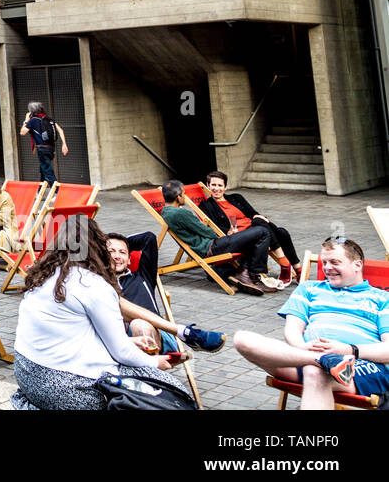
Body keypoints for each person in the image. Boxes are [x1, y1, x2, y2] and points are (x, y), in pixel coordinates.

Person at [12, 214, 183, 410]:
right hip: (66, 389)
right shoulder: (93, 284)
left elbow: (69, 336)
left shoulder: (42, 276)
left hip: (27, 375)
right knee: (169, 389)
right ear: (97, 247)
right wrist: (155, 362)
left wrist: (128, 341)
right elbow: (122, 353)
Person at [233, 238, 389, 409]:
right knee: (242, 339)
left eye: (335, 262)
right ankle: (324, 360)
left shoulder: (382, 298)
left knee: (315, 372)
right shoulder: (308, 288)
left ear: (357, 265)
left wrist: (348, 350)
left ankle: (326, 363)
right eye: (324, 262)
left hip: (359, 365)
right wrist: (304, 348)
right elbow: (292, 329)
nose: (327, 268)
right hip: (305, 357)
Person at [105, 232, 224, 355]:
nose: (117, 256)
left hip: (155, 333)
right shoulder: (96, 282)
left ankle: (151, 369)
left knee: (138, 324)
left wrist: (119, 241)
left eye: (122, 252)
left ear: (129, 260)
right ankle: (184, 333)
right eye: (111, 252)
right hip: (119, 337)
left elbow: (148, 238)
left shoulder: (143, 276)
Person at [160, 180, 276, 295]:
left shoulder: (166, 212)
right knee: (262, 231)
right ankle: (252, 275)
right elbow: (207, 232)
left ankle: (245, 273)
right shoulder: (180, 213)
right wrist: (227, 235)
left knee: (253, 238)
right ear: (178, 197)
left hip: (210, 246)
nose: (185, 196)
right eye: (184, 194)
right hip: (211, 247)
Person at [200, 170, 297, 288]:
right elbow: (214, 225)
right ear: (208, 185)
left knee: (281, 231)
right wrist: (228, 232)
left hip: (257, 228)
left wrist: (257, 215)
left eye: (220, 185)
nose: (216, 188)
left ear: (225, 187)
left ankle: (290, 266)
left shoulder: (236, 197)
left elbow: (253, 213)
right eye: (213, 185)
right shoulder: (206, 205)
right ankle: (294, 267)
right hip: (242, 235)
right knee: (275, 232)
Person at [20, 101, 67, 185]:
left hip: (42, 149)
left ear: (31, 111)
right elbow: (60, 130)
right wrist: (64, 144)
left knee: (48, 171)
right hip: (51, 148)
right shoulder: (48, 119)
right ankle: (39, 191)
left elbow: (22, 132)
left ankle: (56, 192)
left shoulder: (33, 120)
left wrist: (26, 120)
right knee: (43, 169)